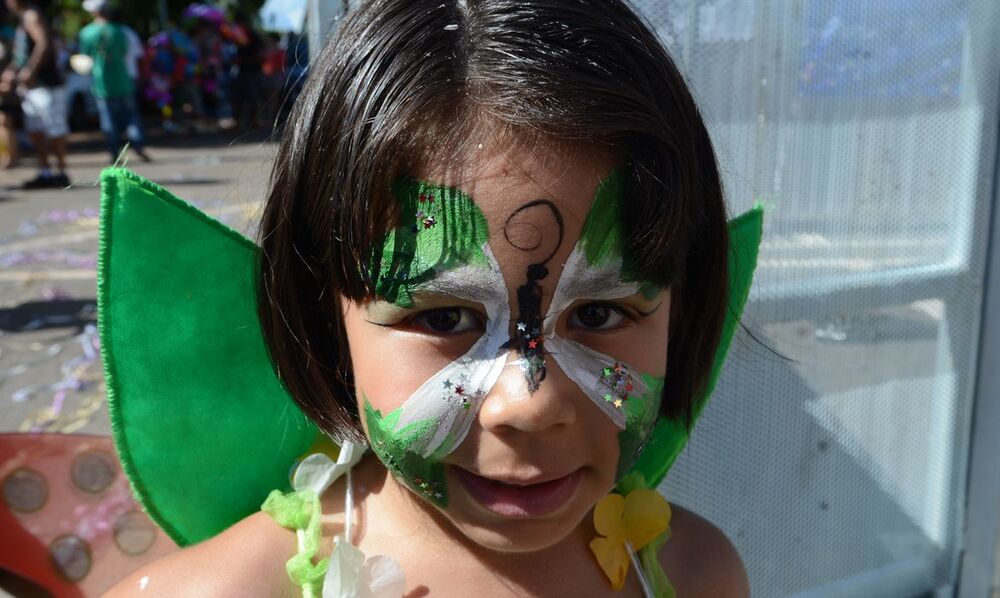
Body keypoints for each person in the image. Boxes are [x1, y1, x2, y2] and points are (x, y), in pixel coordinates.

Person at [105, 0, 752, 595]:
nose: (530, 404)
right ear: (326, 321)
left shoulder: (697, 575)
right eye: (445, 316)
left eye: (599, 313)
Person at [6, 0, 69, 189]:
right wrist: (12, 71)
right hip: (31, 88)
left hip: (45, 85)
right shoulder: (23, 17)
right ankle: (45, 172)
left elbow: (43, 43)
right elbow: (21, 55)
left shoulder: (32, 15)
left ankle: (61, 172)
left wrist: (30, 71)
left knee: (54, 129)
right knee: (35, 131)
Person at [79, 0, 150, 163]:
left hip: (101, 82)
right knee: (131, 117)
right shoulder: (119, 31)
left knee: (108, 119)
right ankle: (138, 147)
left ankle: (114, 152)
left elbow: (85, 57)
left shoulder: (87, 33)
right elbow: (126, 52)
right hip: (123, 80)